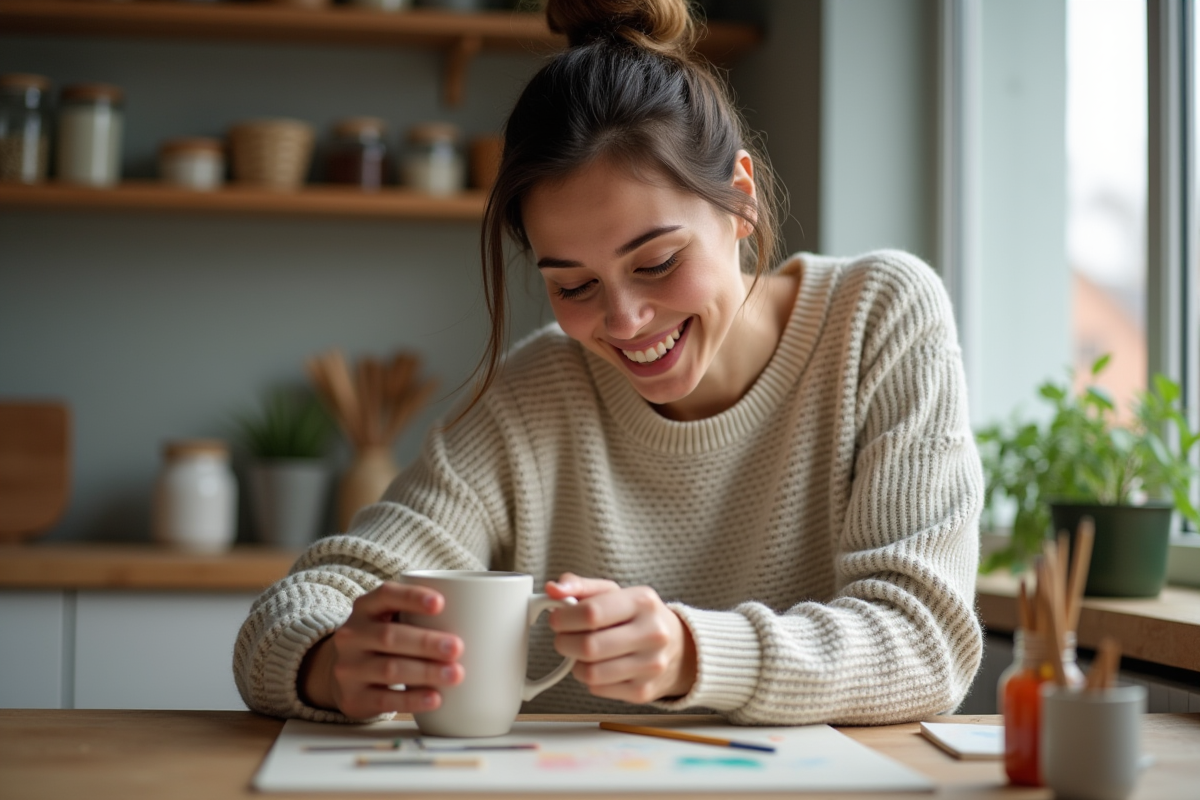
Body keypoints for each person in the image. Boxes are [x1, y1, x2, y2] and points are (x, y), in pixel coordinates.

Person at [234, 0, 984, 726]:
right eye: (574, 285)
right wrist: (332, 664)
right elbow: (299, 607)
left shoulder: (879, 317)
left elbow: (927, 642)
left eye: (656, 262)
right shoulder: (535, 395)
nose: (623, 321)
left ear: (740, 204)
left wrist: (695, 654)